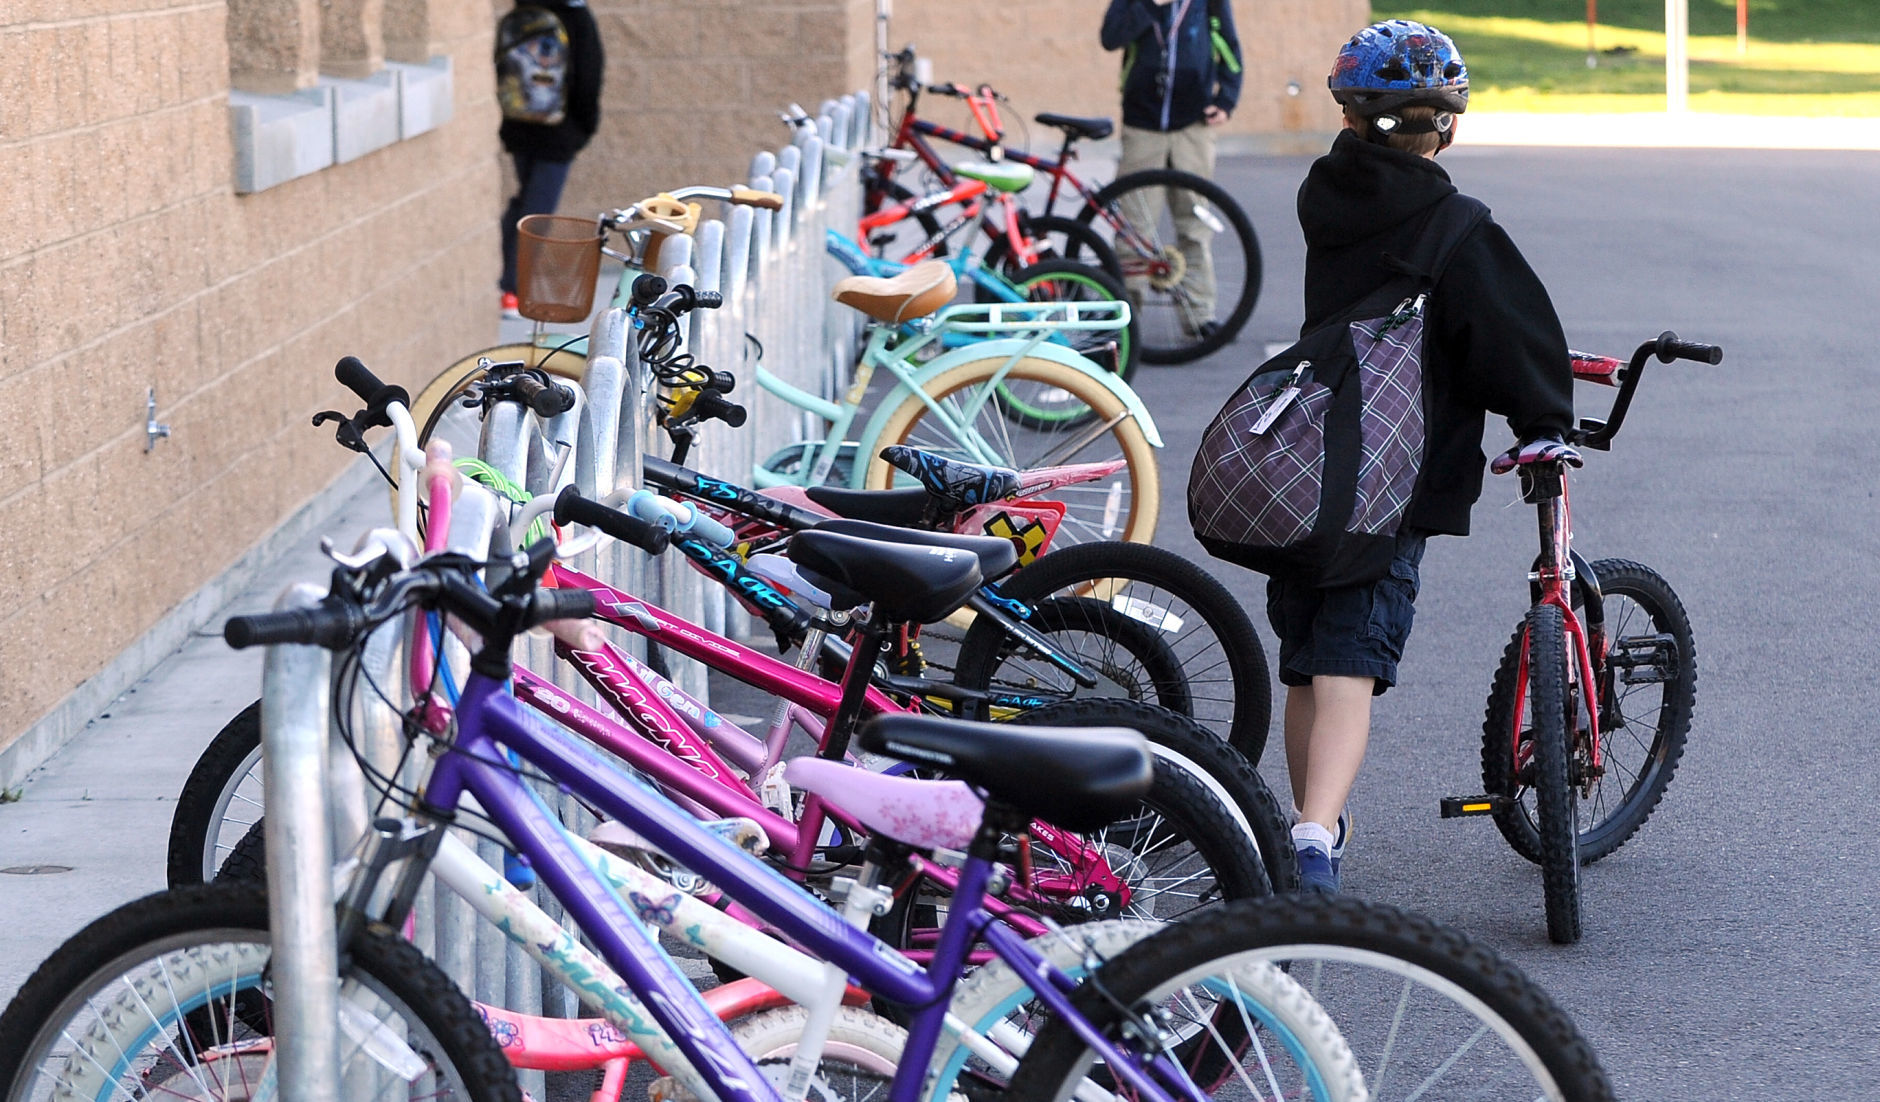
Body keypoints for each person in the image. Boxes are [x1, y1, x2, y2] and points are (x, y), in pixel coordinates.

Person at [1278, 20, 1576, 893]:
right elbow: (1508, 341)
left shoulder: (1324, 201)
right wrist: (1541, 416)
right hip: (1392, 481)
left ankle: (1314, 822)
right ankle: (1311, 835)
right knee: (1349, 663)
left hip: (1306, 462)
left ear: (1348, 115)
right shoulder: (1457, 228)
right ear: (1448, 125)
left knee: (1308, 657)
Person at [1099, 0, 1241, 339]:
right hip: (1142, 125)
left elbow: (1231, 50)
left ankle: (1198, 313)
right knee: (1135, 223)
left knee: (1193, 221)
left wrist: (1227, 100)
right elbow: (1110, 37)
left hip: (1193, 125)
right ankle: (1125, 314)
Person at [495, 0, 604, 317]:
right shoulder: (577, 17)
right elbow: (589, 76)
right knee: (538, 211)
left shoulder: (523, 9)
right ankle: (513, 289)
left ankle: (508, 280)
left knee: (526, 201)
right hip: (558, 132)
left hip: (519, 125)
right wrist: (585, 128)